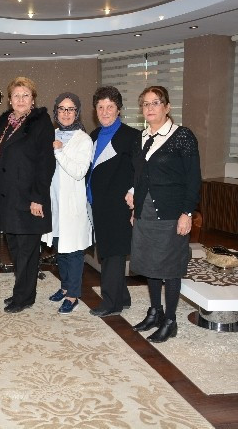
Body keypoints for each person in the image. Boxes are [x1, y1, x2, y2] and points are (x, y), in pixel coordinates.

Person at [128, 86, 201, 343]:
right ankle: (155, 312)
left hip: (171, 212)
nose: (150, 108)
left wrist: (187, 213)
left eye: (156, 102)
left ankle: (170, 320)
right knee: (150, 263)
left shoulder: (182, 136)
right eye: (145, 104)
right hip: (145, 211)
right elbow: (139, 175)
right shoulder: (141, 137)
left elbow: (193, 179)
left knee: (169, 267)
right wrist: (135, 205)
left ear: (167, 107)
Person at [0, 77, 55, 313]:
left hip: (29, 199)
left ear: (33, 99)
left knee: (27, 251)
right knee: (15, 248)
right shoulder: (4, 123)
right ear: (9, 100)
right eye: (16, 95)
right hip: (7, 199)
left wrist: (38, 198)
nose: (21, 99)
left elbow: (46, 164)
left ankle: (24, 297)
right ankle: (22, 292)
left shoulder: (41, 123)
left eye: (26, 95)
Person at [86, 86, 140, 318]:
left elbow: (141, 170)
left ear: (119, 109)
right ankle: (123, 297)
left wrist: (134, 192)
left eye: (110, 107)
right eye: (100, 107)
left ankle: (111, 302)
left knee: (112, 253)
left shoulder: (132, 136)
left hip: (118, 205)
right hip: (98, 205)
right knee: (109, 251)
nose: (105, 111)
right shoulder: (93, 136)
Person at [41, 92, 93, 314]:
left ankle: (73, 295)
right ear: (56, 112)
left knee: (73, 252)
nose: (66, 113)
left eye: (70, 109)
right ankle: (64, 287)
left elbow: (79, 171)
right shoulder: (50, 135)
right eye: (61, 109)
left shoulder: (84, 140)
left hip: (73, 207)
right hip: (54, 204)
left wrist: (58, 151)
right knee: (60, 248)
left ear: (77, 112)